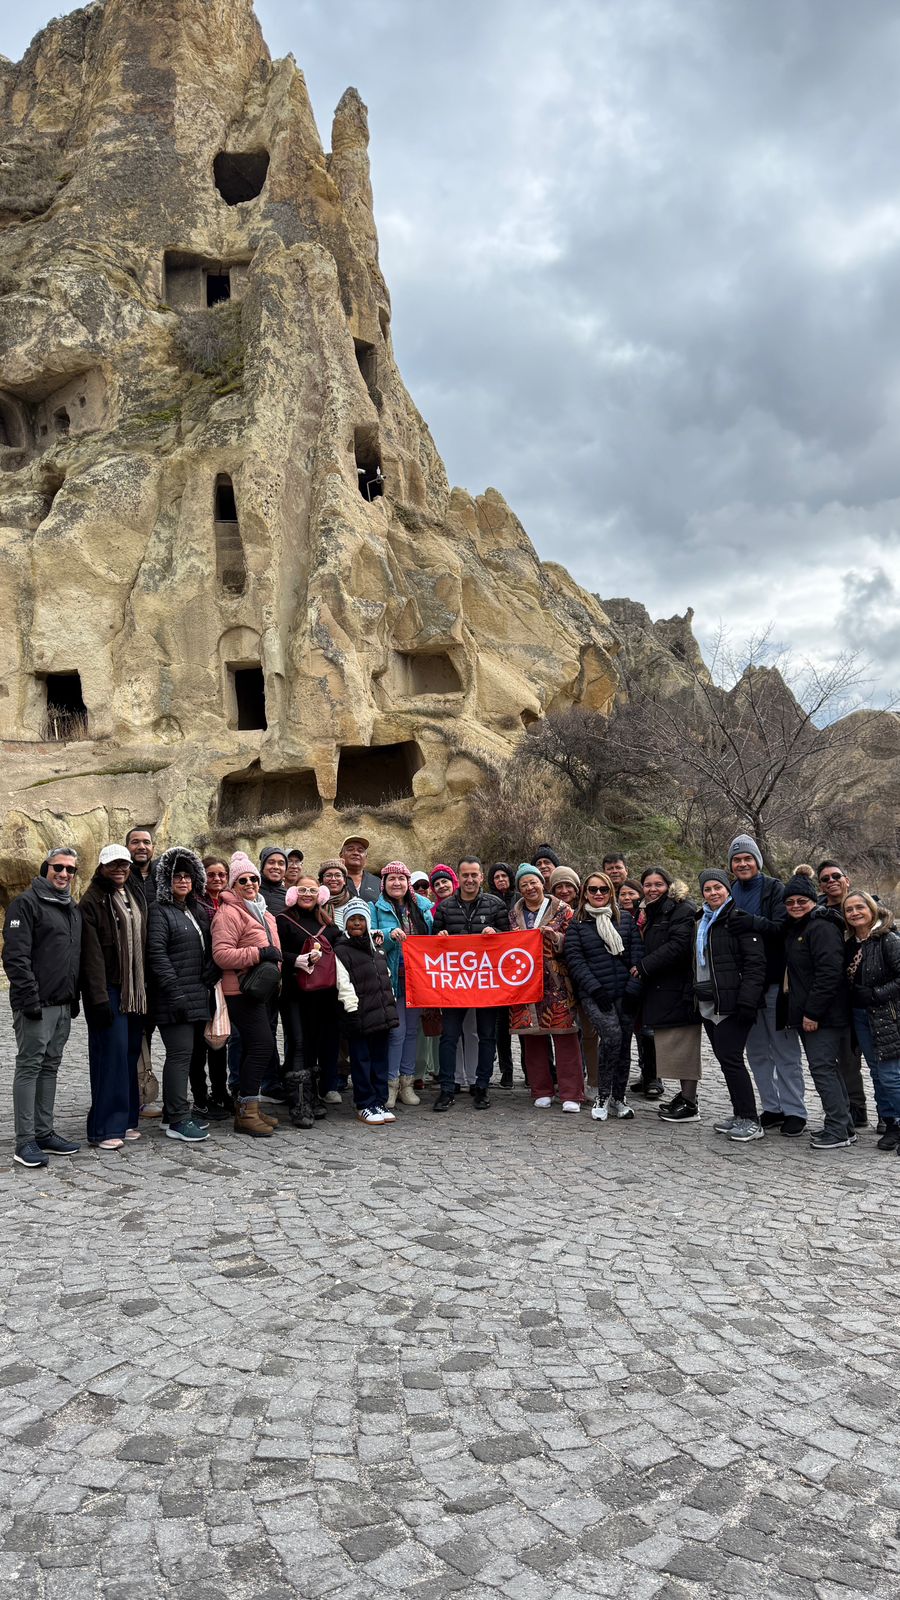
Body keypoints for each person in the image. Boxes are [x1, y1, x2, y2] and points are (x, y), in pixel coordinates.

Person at [2, 847, 82, 1168]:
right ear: (45, 868)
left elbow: (71, 956)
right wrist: (29, 1000)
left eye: (70, 869)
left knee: (50, 1066)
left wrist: (73, 998)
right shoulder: (26, 903)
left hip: (62, 1004)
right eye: (57, 867)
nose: (64, 874)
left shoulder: (70, 907)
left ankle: (44, 1132)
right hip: (36, 1005)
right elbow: (15, 957)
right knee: (29, 1066)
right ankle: (25, 1141)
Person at [727, 834, 806, 1137]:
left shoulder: (774, 889)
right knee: (757, 1052)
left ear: (757, 861)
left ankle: (795, 1111)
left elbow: (783, 927)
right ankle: (772, 1107)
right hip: (744, 987)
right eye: (737, 859)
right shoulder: (730, 890)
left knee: (785, 1051)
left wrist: (752, 921)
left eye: (748, 858)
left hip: (774, 982)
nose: (742, 863)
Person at [80, 845, 149, 1150]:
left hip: (136, 989)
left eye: (124, 864)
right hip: (109, 989)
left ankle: (127, 1119)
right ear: (102, 867)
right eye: (113, 865)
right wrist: (97, 999)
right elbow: (91, 956)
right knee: (111, 1056)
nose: (119, 869)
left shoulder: (134, 894)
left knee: (130, 1053)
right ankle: (104, 1127)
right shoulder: (92, 900)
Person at [146, 848, 217, 1144]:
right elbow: (157, 954)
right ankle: (177, 1119)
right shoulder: (159, 911)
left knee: (189, 1057)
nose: (183, 881)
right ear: (166, 880)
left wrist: (212, 966)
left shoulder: (194, 909)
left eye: (188, 876)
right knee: (179, 1056)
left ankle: (170, 1114)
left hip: (196, 994)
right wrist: (174, 992)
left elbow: (205, 945)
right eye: (177, 876)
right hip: (173, 997)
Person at [211, 853, 282, 1139]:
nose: (250, 883)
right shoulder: (229, 913)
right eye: (243, 880)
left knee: (256, 1046)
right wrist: (259, 954)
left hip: (260, 990)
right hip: (240, 990)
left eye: (254, 878)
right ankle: (247, 1113)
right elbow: (221, 954)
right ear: (233, 885)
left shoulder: (264, 912)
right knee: (263, 1046)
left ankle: (248, 1106)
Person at [782, 873, 854, 1150]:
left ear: (813, 900)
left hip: (824, 1015)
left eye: (802, 900)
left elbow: (829, 974)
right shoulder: (799, 927)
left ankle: (837, 1130)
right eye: (790, 902)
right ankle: (844, 1125)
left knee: (822, 1069)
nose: (796, 905)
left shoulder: (821, 927)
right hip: (815, 1012)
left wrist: (812, 1013)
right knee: (828, 1069)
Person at [693, 869, 766, 1142]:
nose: (713, 893)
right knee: (726, 1060)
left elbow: (755, 964)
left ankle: (751, 1120)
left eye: (718, 887)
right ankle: (739, 1114)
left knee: (732, 1060)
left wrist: (747, 1001)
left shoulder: (739, 919)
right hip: (708, 1002)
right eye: (707, 889)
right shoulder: (701, 921)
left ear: (728, 889)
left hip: (733, 1004)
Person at [431, 858, 510, 1111]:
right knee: (449, 1036)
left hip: (486, 982)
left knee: (487, 1035)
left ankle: (482, 1086)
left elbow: (509, 942)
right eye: (465, 875)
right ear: (458, 877)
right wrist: (439, 936)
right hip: (455, 984)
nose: (470, 879)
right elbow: (432, 945)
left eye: (474, 875)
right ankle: (446, 1089)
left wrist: (496, 935)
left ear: (481, 877)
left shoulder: (495, 904)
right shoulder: (445, 907)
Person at [564, 869, 642, 1120]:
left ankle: (619, 1097)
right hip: (596, 993)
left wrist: (633, 988)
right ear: (585, 893)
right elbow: (575, 960)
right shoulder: (577, 924)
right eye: (593, 889)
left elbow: (637, 955)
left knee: (624, 1043)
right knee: (611, 1038)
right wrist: (595, 990)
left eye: (603, 889)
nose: (598, 893)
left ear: (611, 892)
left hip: (625, 992)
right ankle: (603, 1094)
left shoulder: (625, 919)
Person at [276, 878, 350, 1127]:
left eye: (312, 890)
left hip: (323, 995)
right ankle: (299, 1104)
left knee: (314, 1045)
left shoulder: (328, 924)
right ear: (293, 893)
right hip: (294, 993)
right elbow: (274, 950)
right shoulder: (283, 920)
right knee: (298, 1043)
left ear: (321, 895)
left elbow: (342, 948)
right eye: (302, 890)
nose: (307, 894)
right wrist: (296, 959)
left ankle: (311, 1095)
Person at [508, 865, 583, 1111]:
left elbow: (575, 941)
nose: (530, 888)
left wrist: (557, 939)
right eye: (524, 885)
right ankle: (541, 1089)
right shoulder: (513, 915)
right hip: (524, 983)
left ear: (543, 883)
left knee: (565, 1036)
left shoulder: (564, 910)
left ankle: (571, 1092)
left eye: (533, 882)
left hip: (556, 982)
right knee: (533, 1037)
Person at [633, 868, 701, 1122]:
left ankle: (690, 1103)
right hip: (663, 989)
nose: (652, 889)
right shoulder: (652, 911)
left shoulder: (681, 909)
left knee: (685, 1046)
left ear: (668, 885)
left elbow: (679, 946)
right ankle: (685, 1098)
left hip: (679, 988)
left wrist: (644, 966)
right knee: (674, 1046)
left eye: (658, 884)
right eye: (648, 885)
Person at [842, 891, 900, 1152]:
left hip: (888, 1016)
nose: (854, 913)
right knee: (876, 1073)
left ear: (871, 909)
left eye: (859, 907)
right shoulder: (850, 944)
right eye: (849, 910)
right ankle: (890, 1122)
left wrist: (876, 994)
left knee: (890, 1075)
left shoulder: (888, 939)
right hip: (860, 1016)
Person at [372, 862, 433, 1107]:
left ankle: (407, 1083)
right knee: (396, 1032)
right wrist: (389, 935)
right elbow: (370, 936)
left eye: (401, 878)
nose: (396, 883)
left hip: (417, 979)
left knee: (411, 1031)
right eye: (391, 879)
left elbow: (432, 937)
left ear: (408, 883)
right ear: (384, 883)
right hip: (392, 978)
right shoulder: (375, 907)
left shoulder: (423, 908)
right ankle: (391, 1083)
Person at [335, 899, 398, 1124]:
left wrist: (390, 1005)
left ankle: (379, 1100)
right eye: (352, 919)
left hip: (381, 1015)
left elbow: (386, 978)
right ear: (345, 923)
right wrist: (352, 1011)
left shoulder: (376, 950)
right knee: (361, 1061)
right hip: (359, 1015)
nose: (357, 923)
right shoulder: (341, 951)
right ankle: (364, 1103)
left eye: (361, 919)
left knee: (380, 1060)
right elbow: (343, 984)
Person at [817, 860, 868, 1126]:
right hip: (832, 995)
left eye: (836, 876)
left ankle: (887, 1114)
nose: (831, 881)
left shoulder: (863, 906)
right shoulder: (816, 912)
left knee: (879, 1060)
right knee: (844, 1057)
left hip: (865, 995)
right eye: (825, 879)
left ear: (847, 879)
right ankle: (853, 1108)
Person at [190, 857, 232, 1119]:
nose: (217, 879)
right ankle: (200, 1097)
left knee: (220, 1038)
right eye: (211, 874)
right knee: (198, 1043)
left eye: (221, 874)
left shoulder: (229, 902)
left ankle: (220, 1091)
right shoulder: (195, 903)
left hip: (223, 980)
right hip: (200, 978)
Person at [487, 862, 518, 1087]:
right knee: (501, 1026)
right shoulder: (488, 902)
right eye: (496, 877)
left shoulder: (519, 899)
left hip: (518, 965)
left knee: (525, 1023)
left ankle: (532, 1070)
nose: (500, 880)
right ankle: (506, 1071)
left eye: (504, 876)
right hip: (496, 968)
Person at [339, 836, 381, 902]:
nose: (356, 853)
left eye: (360, 851)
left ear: (366, 857)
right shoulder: (333, 880)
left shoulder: (377, 882)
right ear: (341, 855)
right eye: (350, 849)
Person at [126, 826, 158, 904]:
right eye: (135, 842)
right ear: (126, 848)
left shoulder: (162, 877)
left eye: (146, 842)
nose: (141, 847)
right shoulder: (120, 878)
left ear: (153, 848)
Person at [259, 847, 289, 915]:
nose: (276, 867)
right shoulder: (252, 890)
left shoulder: (288, 897)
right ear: (263, 866)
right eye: (271, 862)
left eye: (281, 863)